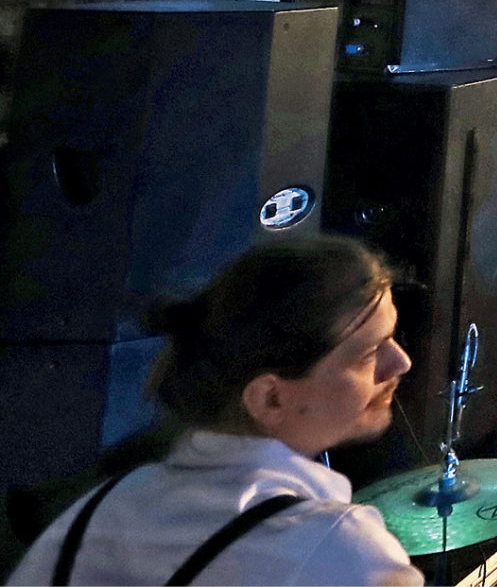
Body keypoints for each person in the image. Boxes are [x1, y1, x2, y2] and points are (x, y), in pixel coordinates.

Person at [10, 237, 420, 585]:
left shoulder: (93, 512)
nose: (400, 362)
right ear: (269, 399)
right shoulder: (337, 551)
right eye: (369, 353)